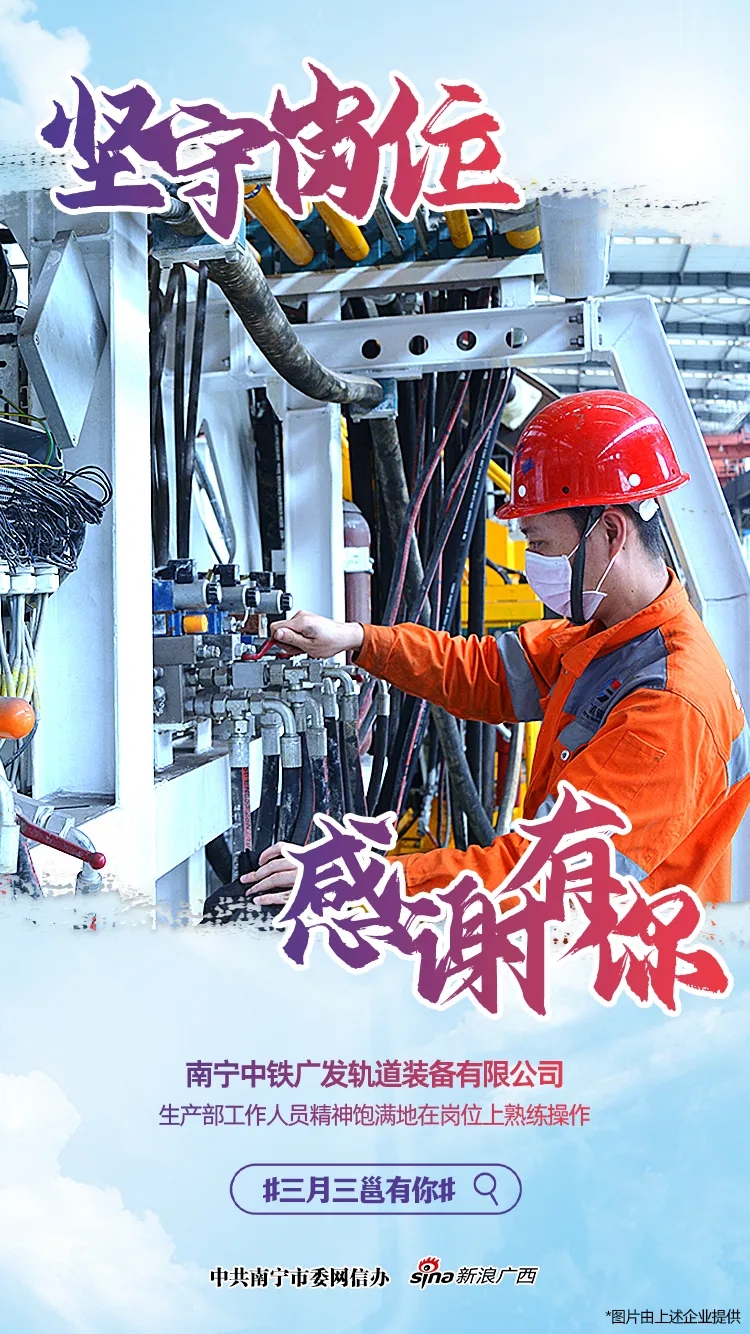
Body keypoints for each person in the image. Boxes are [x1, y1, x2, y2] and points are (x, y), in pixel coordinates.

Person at [241, 390, 750, 908]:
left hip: (627, 949)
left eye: (540, 543)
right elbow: (485, 672)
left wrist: (360, 881)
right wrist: (358, 640)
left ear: (611, 532)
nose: (532, 565)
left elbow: (547, 877)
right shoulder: (612, 637)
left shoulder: (668, 704)